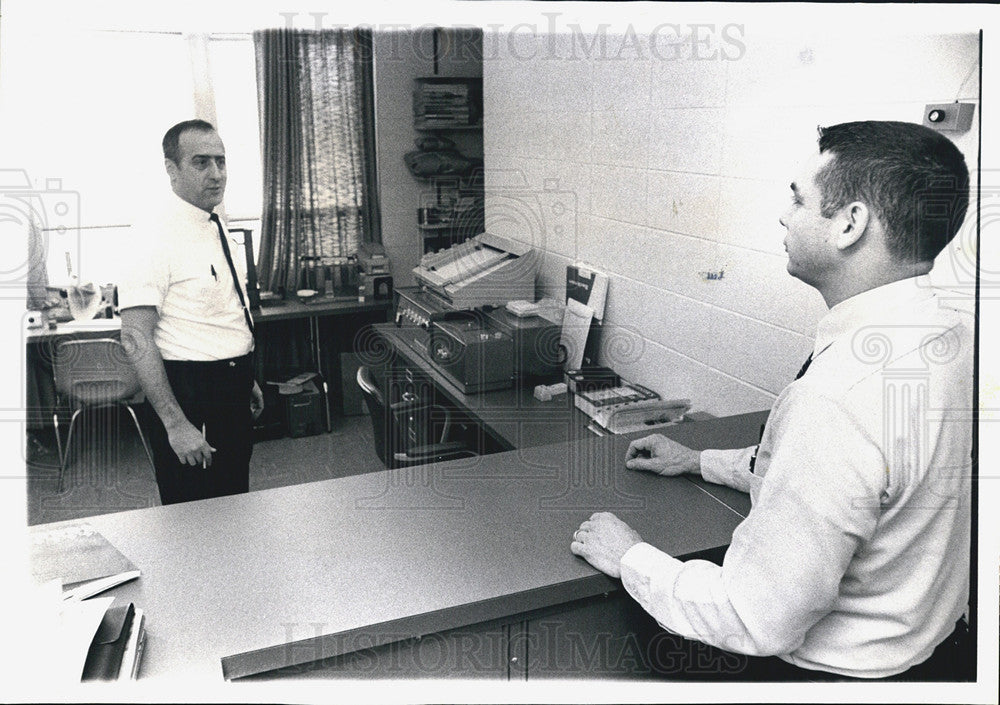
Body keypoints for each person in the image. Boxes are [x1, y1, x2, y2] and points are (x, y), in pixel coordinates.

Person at [571, 121, 973, 681]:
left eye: (798, 199)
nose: (784, 215)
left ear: (850, 224)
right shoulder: (955, 339)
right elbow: (868, 480)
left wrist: (631, 557)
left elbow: (756, 617)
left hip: (834, 675)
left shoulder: (839, 396)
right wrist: (700, 461)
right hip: (939, 656)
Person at [118, 119, 264, 505]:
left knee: (234, 503)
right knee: (191, 517)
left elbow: (217, 312)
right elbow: (135, 337)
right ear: (172, 170)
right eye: (201, 162)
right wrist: (175, 423)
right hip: (188, 393)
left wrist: (243, 378)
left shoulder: (212, 224)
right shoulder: (152, 236)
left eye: (221, 161)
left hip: (229, 386)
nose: (216, 174)